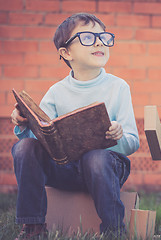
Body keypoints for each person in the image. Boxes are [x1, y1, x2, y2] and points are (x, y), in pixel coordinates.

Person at [10, 12, 139, 239]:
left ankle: (114, 231)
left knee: (95, 158)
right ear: (66, 52)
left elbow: (132, 143)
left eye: (104, 37)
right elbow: (41, 137)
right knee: (24, 147)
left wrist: (118, 135)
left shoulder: (118, 87)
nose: (99, 42)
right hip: (65, 170)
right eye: (88, 37)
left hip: (105, 169)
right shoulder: (56, 92)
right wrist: (23, 123)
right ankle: (33, 227)